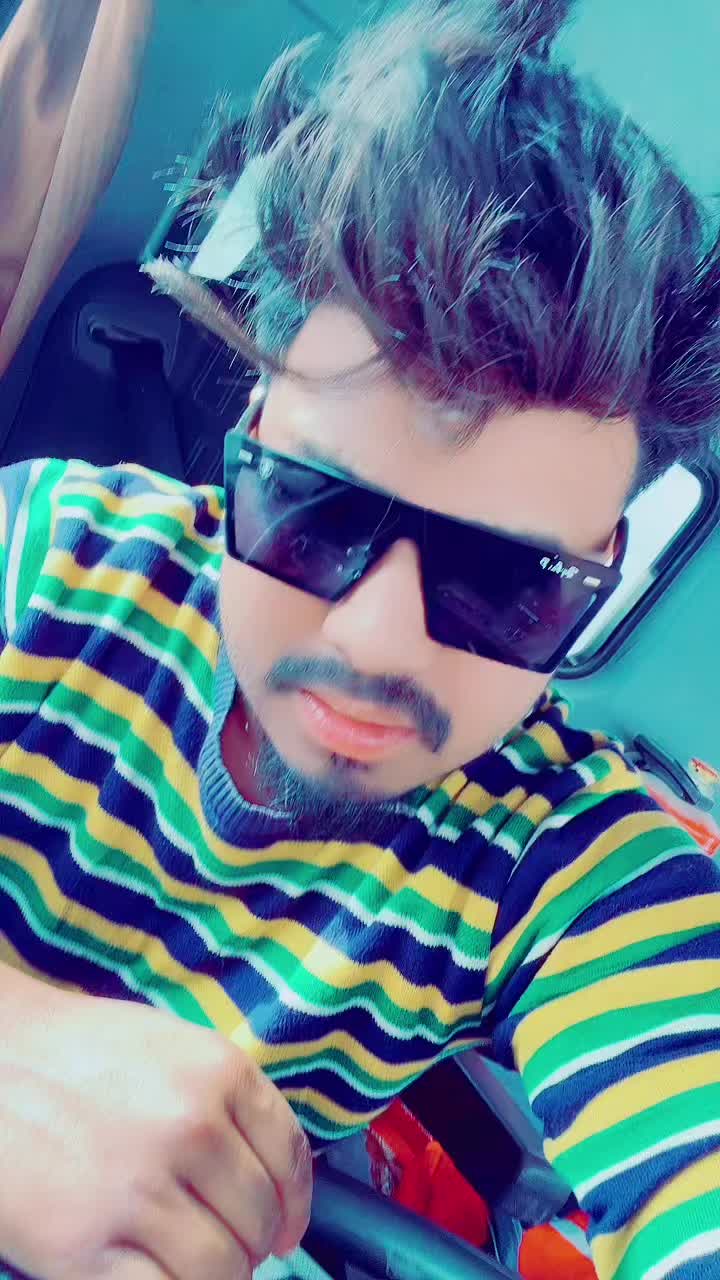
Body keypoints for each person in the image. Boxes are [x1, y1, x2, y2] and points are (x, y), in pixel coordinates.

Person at [1, 1, 719, 1277]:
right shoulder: (43, 552)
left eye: (511, 582)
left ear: (603, 571)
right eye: (318, 507)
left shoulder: (562, 854)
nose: (378, 641)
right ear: (250, 429)